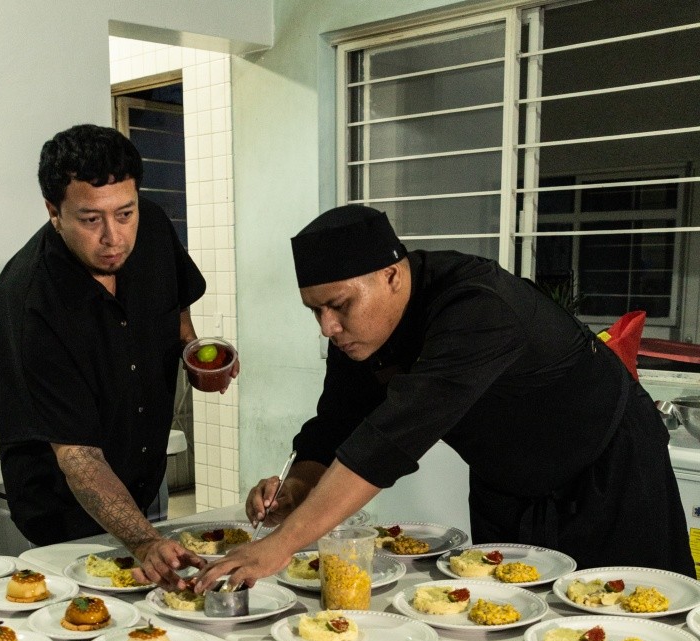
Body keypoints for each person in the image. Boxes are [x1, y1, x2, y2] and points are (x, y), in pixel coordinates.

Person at [196, 204, 693, 591]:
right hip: (509, 481)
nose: (328, 327)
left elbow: (388, 441)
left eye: (339, 305)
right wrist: (297, 486)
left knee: (633, 617)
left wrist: (282, 545)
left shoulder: (477, 307)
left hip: (608, 466)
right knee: (507, 609)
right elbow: (337, 425)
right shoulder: (359, 333)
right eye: (315, 311)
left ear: (392, 274)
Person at [0, 123, 226, 585]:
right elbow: (77, 457)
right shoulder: (33, 299)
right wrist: (143, 542)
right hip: (64, 510)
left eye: (124, 213)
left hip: (142, 474)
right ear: (53, 212)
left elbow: (175, 303)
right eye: (90, 219)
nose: (113, 237)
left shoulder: (153, 225)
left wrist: (193, 353)